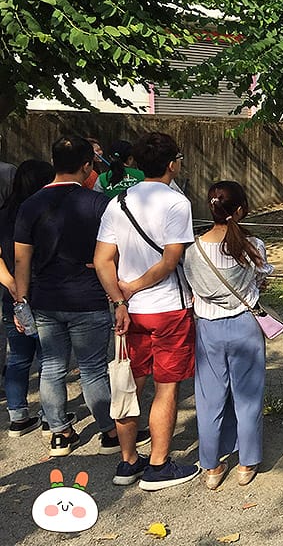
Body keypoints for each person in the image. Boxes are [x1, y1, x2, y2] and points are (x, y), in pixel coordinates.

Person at [94, 132, 199, 490]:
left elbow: (102, 259)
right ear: (172, 164)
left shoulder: (117, 202)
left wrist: (120, 298)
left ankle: (127, 462)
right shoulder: (176, 203)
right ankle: (158, 465)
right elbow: (171, 260)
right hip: (169, 307)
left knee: (128, 385)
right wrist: (135, 286)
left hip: (130, 313)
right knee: (166, 388)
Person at [11, 138, 117, 457]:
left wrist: (21, 301)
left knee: (53, 367)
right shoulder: (98, 204)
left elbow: (21, 260)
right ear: (86, 166)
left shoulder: (30, 205)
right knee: (93, 368)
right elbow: (114, 252)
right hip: (88, 296)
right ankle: (109, 432)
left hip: (45, 298)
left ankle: (59, 433)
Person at [184, 181, 273, 489]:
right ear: (239, 210)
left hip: (208, 328)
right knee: (248, 397)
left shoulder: (193, 250)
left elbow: (192, 289)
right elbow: (261, 280)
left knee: (209, 399)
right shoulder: (254, 246)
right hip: (245, 324)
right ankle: (247, 463)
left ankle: (211, 466)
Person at [1, 160, 54, 436]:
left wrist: (10, 284)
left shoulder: (6, 213)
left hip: (10, 293)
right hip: (40, 291)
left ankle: (18, 416)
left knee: (19, 356)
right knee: (48, 357)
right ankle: (49, 416)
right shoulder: (41, 212)